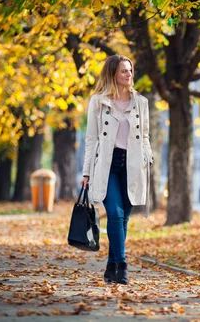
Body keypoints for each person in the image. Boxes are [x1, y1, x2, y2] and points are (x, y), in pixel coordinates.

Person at [80, 54, 153, 285]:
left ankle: (111, 266)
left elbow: (145, 136)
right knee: (115, 213)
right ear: (113, 74)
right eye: (124, 71)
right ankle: (122, 266)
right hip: (107, 165)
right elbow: (91, 139)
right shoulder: (98, 101)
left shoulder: (141, 102)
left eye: (130, 70)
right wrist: (86, 172)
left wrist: (147, 157)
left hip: (132, 165)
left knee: (123, 221)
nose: (129, 74)